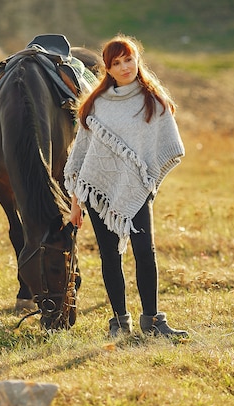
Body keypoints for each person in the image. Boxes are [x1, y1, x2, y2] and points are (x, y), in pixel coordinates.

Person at [64, 34, 188, 338]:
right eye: (116, 63)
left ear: (137, 60)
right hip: (98, 191)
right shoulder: (96, 104)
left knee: (145, 252)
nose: (124, 67)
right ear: (107, 68)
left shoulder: (153, 100)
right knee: (110, 256)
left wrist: (145, 180)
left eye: (128, 59)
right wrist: (76, 204)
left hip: (136, 189)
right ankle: (119, 321)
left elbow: (166, 146)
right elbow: (81, 156)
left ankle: (153, 321)